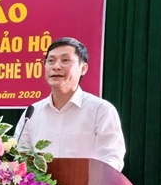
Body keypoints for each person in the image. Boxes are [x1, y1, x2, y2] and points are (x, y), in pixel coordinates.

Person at [14, 37, 125, 171]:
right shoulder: (32, 112)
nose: (56, 66)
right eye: (51, 61)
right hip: (39, 184)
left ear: (83, 68)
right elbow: (19, 157)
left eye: (65, 60)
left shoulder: (101, 110)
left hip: (85, 184)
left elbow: (112, 158)